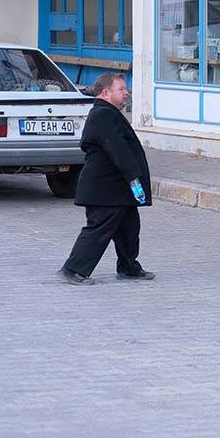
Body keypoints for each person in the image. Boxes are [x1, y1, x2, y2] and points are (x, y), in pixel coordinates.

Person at [58, 73, 154, 285]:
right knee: (98, 229)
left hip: (117, 189)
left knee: (129, 228)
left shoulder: (108, 113)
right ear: (105, 93)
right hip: (104, 189)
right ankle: (72, 270)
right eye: (121, 89)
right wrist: (134, 179)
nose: (126, 92)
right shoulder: (102, 115)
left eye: (125, 89)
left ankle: (129, 268)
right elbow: (118, 150)